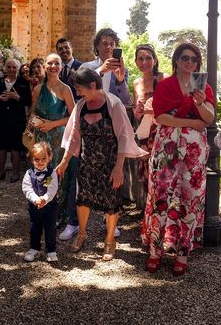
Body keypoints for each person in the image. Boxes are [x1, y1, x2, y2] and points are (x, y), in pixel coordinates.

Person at [56, 68, 146, 261]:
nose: (79, 94)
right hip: (87, 162)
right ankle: (82, 234)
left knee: (111, 201)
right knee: (82, 199)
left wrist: (119, 167)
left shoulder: (113, 104)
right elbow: (74, 136)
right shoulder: (81, 105)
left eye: (80, 90)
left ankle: (109, 240)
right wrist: (64, 162)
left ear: (93, 85)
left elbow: (123, 137)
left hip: (110, 162)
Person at [141, 43, 215, 276]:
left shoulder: (204, 88)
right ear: (176, 60)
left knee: (190, 199)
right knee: (160, 195)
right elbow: (161, 117)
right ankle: (155, 251)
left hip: (193, 151)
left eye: (193, 59)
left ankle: (183, 253)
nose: (189, 62)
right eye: (184, 57)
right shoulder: (165, 85)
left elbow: (209, 119)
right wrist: (192, 122)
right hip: (167, 148)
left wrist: (200, 102)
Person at [29, 53, 75, 231]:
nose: (53, 66)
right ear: (45, 66)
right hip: (41, 138)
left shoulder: (65, 89)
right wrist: (35, 121)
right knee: (40, 174)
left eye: (57, 63)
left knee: (56, 176)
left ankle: (58, 215)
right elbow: (32, 112)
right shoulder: (38, 89)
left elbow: (72, 117)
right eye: (50, 63)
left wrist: (52, 124)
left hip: (58, 138)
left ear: (61, 67)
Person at [55, 38, 83, 241]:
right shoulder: (56, 71)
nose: (64, 51)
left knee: (73, 172)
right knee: (57, 172)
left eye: (66, 47)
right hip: (56, 127)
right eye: (60, 49)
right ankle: (59, 212)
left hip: (75, 124)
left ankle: (74, 218)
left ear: (71, 49)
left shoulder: (81, 68)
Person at [0, 58, 32, 183]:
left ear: (17, 69)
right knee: (1, 145)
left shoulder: (23, 82)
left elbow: (29, 101)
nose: (11, 69)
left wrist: (17, 97)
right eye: (9, 67)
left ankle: (15, 172)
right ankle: (1, 171)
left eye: (14, 67)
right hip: (0, 117)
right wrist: (0, 98)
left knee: (16, 146)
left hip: (16, 119)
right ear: (5, 68)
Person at [132, 44, 166, 188]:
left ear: (155, 60)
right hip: (145, 134)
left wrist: (148, 111)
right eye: (140, 59)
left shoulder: (164, 79)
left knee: (163, 173)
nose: (144, 62)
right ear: (136, 62)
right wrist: (138, 112)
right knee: (147, 174)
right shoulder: (136, 83)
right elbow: (137, 110)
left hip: (162, 133)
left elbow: (169, 108)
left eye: (148, 58)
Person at [22, 141, 59, 263]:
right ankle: (34, 248)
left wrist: (45, 198)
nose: (40, 162)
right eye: (36, 159)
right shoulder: (29, 174)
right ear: (32, 159)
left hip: (50, 207)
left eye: (44, 158)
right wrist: (35, 199)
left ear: (50, 158)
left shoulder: (51, 173)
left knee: (50, 228)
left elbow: (52, 188)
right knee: (35, 227)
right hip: (35, 206)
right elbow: (27, 188)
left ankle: (51, 250)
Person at [80, 28, 130, 105]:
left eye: (112, 44)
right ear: (97, 46)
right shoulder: (86, 67)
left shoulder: (123, 71)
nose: (109, 47)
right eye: (105, 44)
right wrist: (100, 71)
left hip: (113, 114)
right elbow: (80, 93)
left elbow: (125, 100)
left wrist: (120, 81)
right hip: (91, 113)